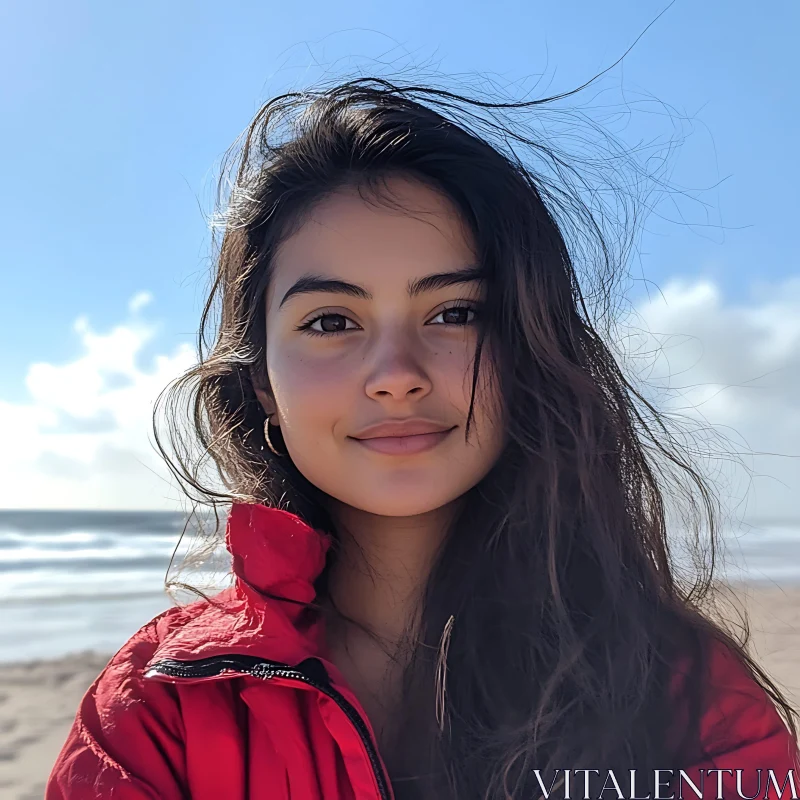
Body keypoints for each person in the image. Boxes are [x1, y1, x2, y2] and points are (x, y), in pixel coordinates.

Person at [47, 77, 799, 800]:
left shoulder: (683, 695)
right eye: (331, 322)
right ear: (264, 390)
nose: (396, 375)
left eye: (456, 313)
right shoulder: (156, 711)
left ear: (528, 351)